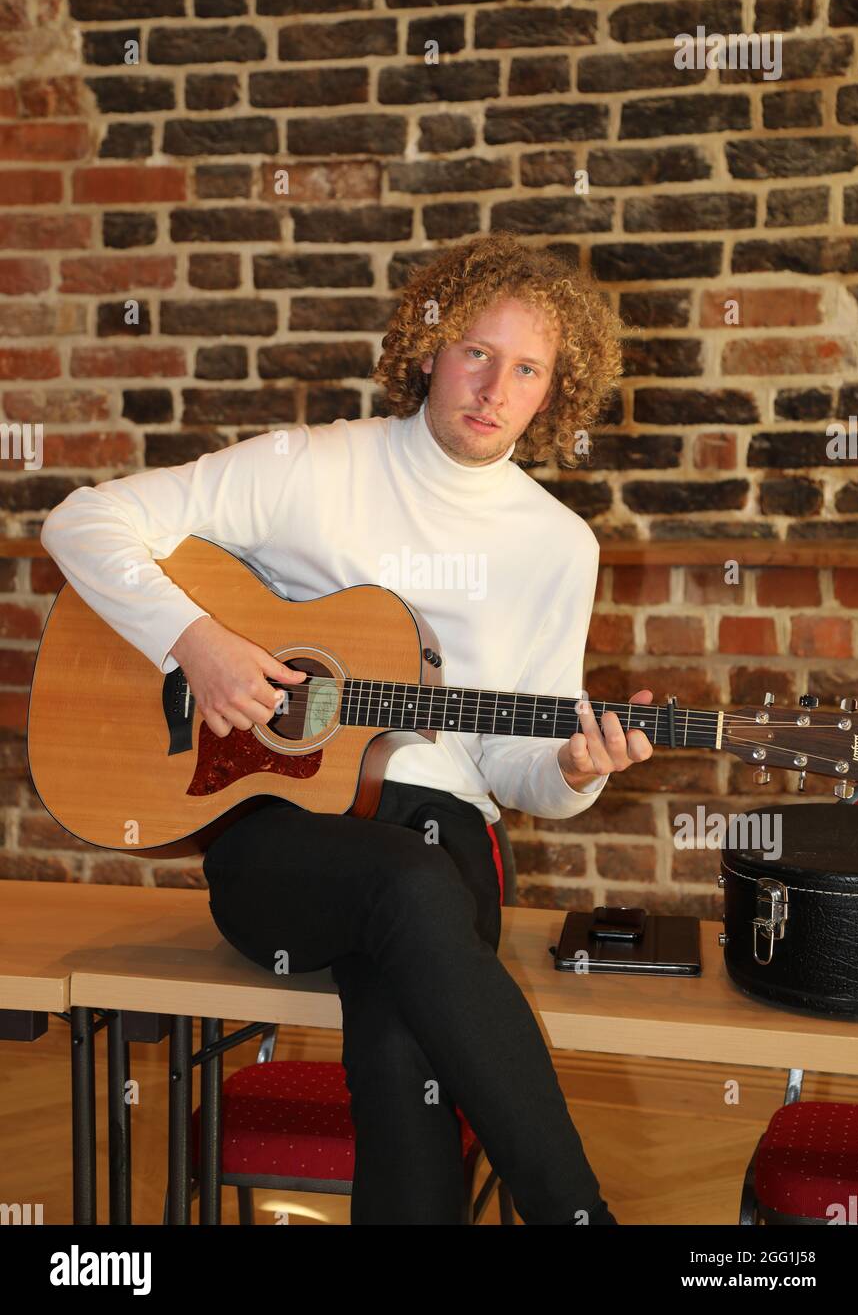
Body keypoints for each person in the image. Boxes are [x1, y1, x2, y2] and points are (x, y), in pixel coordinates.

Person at [39, 230, 654, 1225]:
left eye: (527, 368)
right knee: (408, 893)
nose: (493, 386)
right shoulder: (310, 467)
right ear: (428, 349)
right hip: (286, 838)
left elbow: (511, 763)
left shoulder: (556, 545)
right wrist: (197, 641)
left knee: (400, 1026)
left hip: (443, 831)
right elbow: (81, 522)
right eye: (475, 352)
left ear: (555, 392)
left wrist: (572, 767)